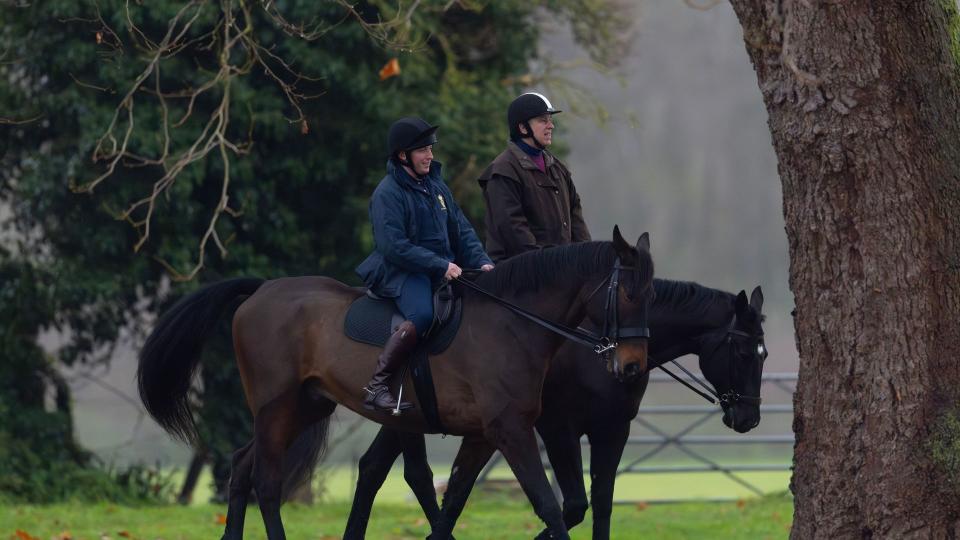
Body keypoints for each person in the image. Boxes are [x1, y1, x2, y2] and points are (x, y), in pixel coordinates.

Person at [356, 117, 494, 413]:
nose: (430, 155)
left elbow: (462, 229)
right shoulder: (387, 193)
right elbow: (393, 246)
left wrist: (481, 262)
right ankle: (377, 385)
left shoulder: (437, 186)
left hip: (438, 269)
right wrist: (439, 265)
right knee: (421, 314)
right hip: (402, 271)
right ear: (403, 155)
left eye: (430, 149)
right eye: (422, 150)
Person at [478, 92, 591, 262]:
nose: (550, 126)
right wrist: (551, 264)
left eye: (550, 120)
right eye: (542, 120)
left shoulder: (558, 168)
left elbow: (576, 218)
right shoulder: (502, 171)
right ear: (523, 128)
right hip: (520, 275)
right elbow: (515, 232)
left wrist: (584, 259)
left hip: (561, 272)